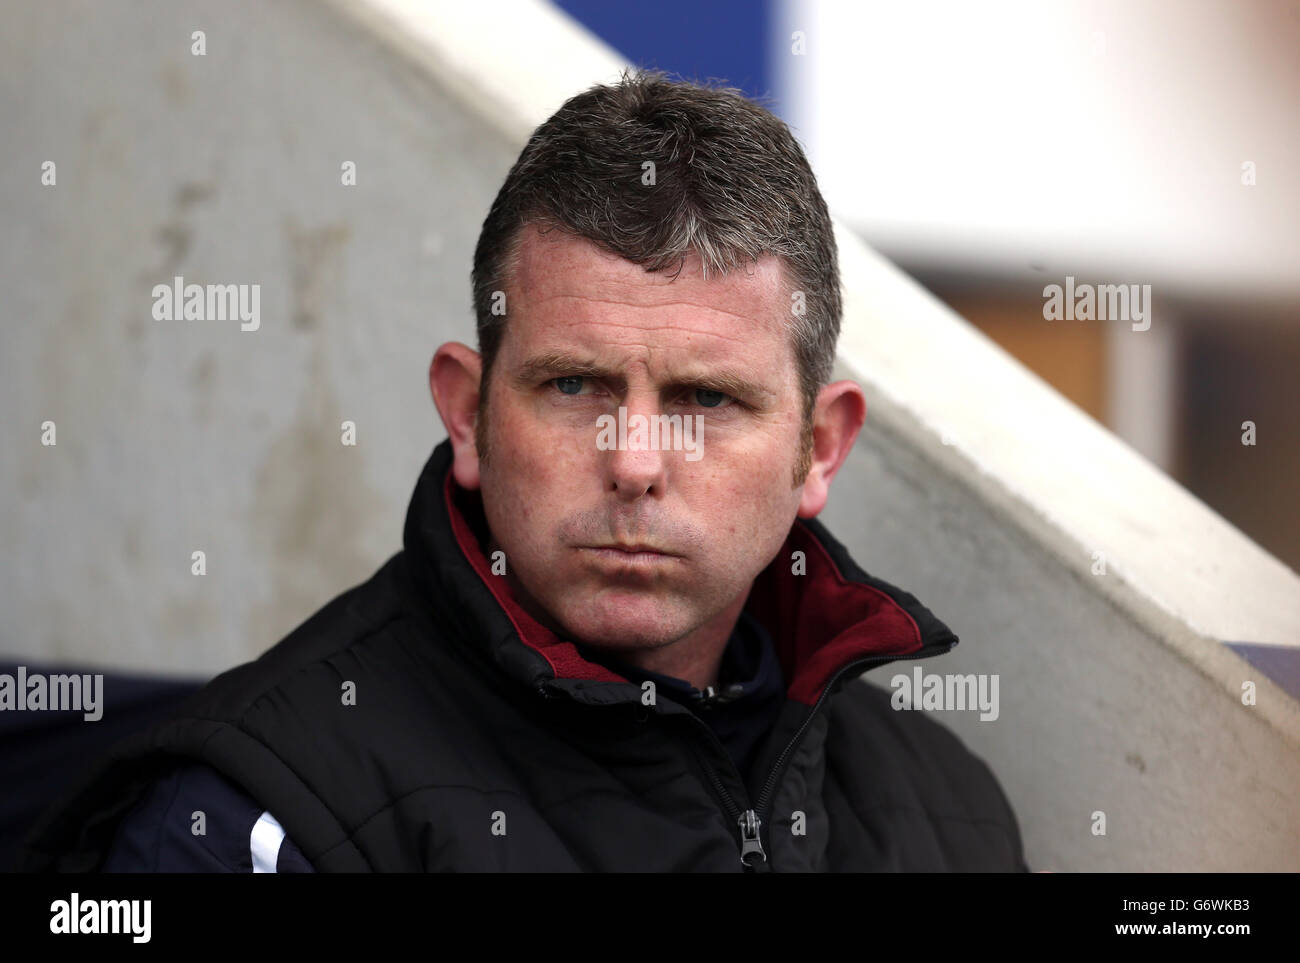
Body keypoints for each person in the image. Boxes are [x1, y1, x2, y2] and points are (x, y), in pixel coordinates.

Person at [19, 69, 1028, 872]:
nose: (635, 462)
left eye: (704, 401)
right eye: (574, 386)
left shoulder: (944, 810)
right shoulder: (258, 822)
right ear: (468, 415)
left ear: (819, 448)